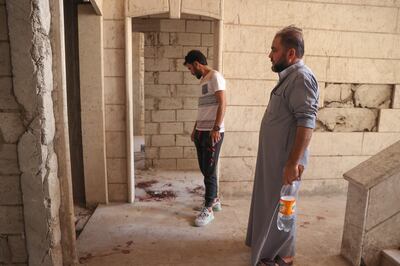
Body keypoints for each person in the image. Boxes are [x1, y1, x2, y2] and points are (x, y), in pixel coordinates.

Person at [246, 26, 319, 266]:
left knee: (284, 208)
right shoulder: (289, 78)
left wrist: (293, 163)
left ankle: (285, 256)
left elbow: (307, 123)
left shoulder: (302, 78)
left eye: (273, 50)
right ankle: (269, 247)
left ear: (290, 54)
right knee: (272, 205)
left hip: (286, 164)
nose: (270, 55)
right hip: (275, 160)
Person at [183, 50, 226, 227]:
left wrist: (216, 128)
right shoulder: (203, 80)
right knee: (205, 168)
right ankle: (214, 199)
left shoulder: (215, 76)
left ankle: (208, 208)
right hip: (201, 130)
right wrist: (195, 129)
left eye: (190, 68)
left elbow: (223, 103)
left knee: (208, 171)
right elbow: (204, 109)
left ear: (197, 63)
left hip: (212, 132)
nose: (190, 72)